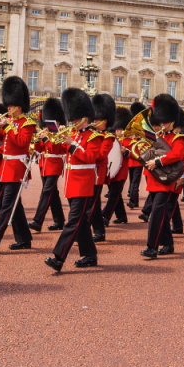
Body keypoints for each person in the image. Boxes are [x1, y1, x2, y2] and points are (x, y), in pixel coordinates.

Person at [44, 88, 103, 272]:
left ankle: (58, 257)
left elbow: (90, 157)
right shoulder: (75, 135)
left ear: (86, 118)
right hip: (71, 184)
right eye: (73, 119)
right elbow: (57, 152)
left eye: (76, 119)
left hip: (84, 185)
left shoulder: (94, 136)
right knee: (82, 223)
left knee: (73, 222)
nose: (74, 122)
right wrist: (53, 138)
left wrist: (71, 145)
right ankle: (90, 255)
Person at [0, 76, 35, 253]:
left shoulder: (28, 124)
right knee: (14, 205)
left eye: (10, 105)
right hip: (6, 167)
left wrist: (8, 127)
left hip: (17, 168)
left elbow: (22, 143)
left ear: (19, 106)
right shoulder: (8, 122)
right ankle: (24, 239)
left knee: (7, 205)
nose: (7, 108)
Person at [140, 94, 184, 259]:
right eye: (160, 122)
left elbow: (177, 154)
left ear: (172, 121)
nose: (162, 125)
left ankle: (152, 247)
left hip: (166, 180)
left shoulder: (178, 138)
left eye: (164, 122)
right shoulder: (156, 137)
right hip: (154, 179)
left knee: (157, 212)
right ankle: (168, 244)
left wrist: (158, 162)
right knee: (162, 213)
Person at [29, 98, 67, 232]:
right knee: (52, 193)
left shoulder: (61, 134)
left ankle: (37, 221)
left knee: (46, 192)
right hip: (44, 164)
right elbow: (39, 150)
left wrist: (45, 138)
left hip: (55, 164)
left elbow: (56, 149)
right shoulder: (47, 132)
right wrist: (39, 141)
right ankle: (60, 221)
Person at [102, 106, 133, 225]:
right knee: (116, 195)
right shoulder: (112, 139)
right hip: (112, 170)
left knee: (113, 196)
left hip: (121, 173)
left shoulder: (129, 141)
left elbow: (136, 155)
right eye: (117, 129)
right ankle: (122, 216)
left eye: (120, 129)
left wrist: (126, 151)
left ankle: (105, 216)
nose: (118, 131)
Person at [89, 94, 113, 242]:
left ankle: (87, 230)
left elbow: (101, 155)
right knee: (94, 204)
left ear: (104, 121)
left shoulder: (108, 137)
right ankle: (99, 232)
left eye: (97, 119)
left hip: (98, 171)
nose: (94, 121)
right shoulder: (91, 134)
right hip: (88, 170)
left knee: (92, 203)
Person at [125, 102, 146, 209]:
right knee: (132, 181)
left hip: (138, 160)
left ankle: (132, 201)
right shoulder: (131, 130)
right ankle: (136, 201)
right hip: (130, 160)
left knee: (135, 182)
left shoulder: (142, 130)